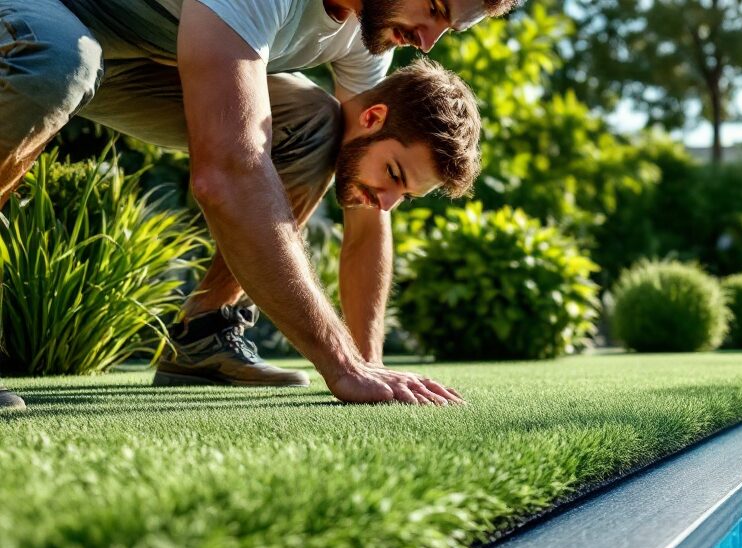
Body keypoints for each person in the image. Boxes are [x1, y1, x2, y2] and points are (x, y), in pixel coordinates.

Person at [0, 0, 520, 412]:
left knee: (318, 124)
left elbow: (367, 220)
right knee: (57, 62)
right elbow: (229, 171)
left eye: (449, 27)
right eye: (434, 6)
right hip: (41, 21)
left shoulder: (368, 34)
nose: (428, 41)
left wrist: (370, 365)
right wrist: (339, 364)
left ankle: (205, 334)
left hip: (133, 61)